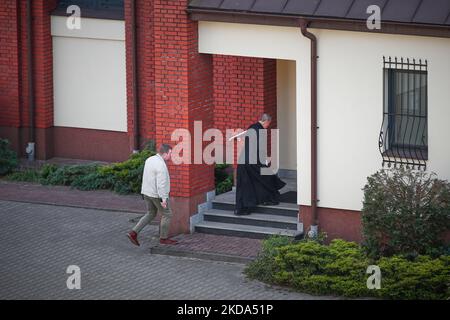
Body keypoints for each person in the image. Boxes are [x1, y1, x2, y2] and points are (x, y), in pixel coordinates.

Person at [127, 144, 178, 246]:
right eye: (170, 153)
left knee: (151, 213)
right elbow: (161, 185)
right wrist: (163, 199)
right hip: (157, 195)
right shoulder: (161, 166)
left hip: (146, 192)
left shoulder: (150, 159)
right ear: (166, 153)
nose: (171, 156)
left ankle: (133, 232)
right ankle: (163, 239)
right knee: (167, 214)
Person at [235, 114, 286, 215]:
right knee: (267, 177)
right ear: (266, 121)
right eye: (268, 123)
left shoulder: (251, 127)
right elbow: (260, 147)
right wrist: (266, 158)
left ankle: (242, 209)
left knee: (246, 184)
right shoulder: (261, 130)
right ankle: (269, 198)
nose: (268, 125)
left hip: (243, 161)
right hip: (253, 161)